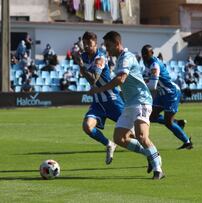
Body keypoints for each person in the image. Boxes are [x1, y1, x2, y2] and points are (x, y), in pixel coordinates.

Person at [90, 31, 164, 179]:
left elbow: (120, 79)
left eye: (109, 45)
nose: (107, 49)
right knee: (119, 138)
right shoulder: (119, 60)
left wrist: (99, 89)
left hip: (142, 101)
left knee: (142, 136)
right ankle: (149, 154)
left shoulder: (127, 57)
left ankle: (158, 169)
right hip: (130, 103)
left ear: (117, 44)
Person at [73, 31, 122, 165]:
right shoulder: (83, 56)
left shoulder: (100, 57)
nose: (87, 46)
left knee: (131, 134)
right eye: (85, 43)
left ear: (95, 44)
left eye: (90, 43)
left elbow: (94, 79)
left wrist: (81, 64)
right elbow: (81, 66)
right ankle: (109, 144)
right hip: (98, 102)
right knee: (87, 127)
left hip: (112, 100)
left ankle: (151, 155)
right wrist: (78, 60)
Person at [141, 44, 193, 150]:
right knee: (151, 117)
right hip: (162, 93)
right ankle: (177, 123)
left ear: (152, 53)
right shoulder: (146, 62)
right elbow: (145, 77)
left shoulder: (155, 65)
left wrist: (140, 86)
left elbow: (152, 85)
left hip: (170, 93)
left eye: (146, 54)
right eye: (143, 54)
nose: (144, 56)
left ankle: (187, 142)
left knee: (168, 123)